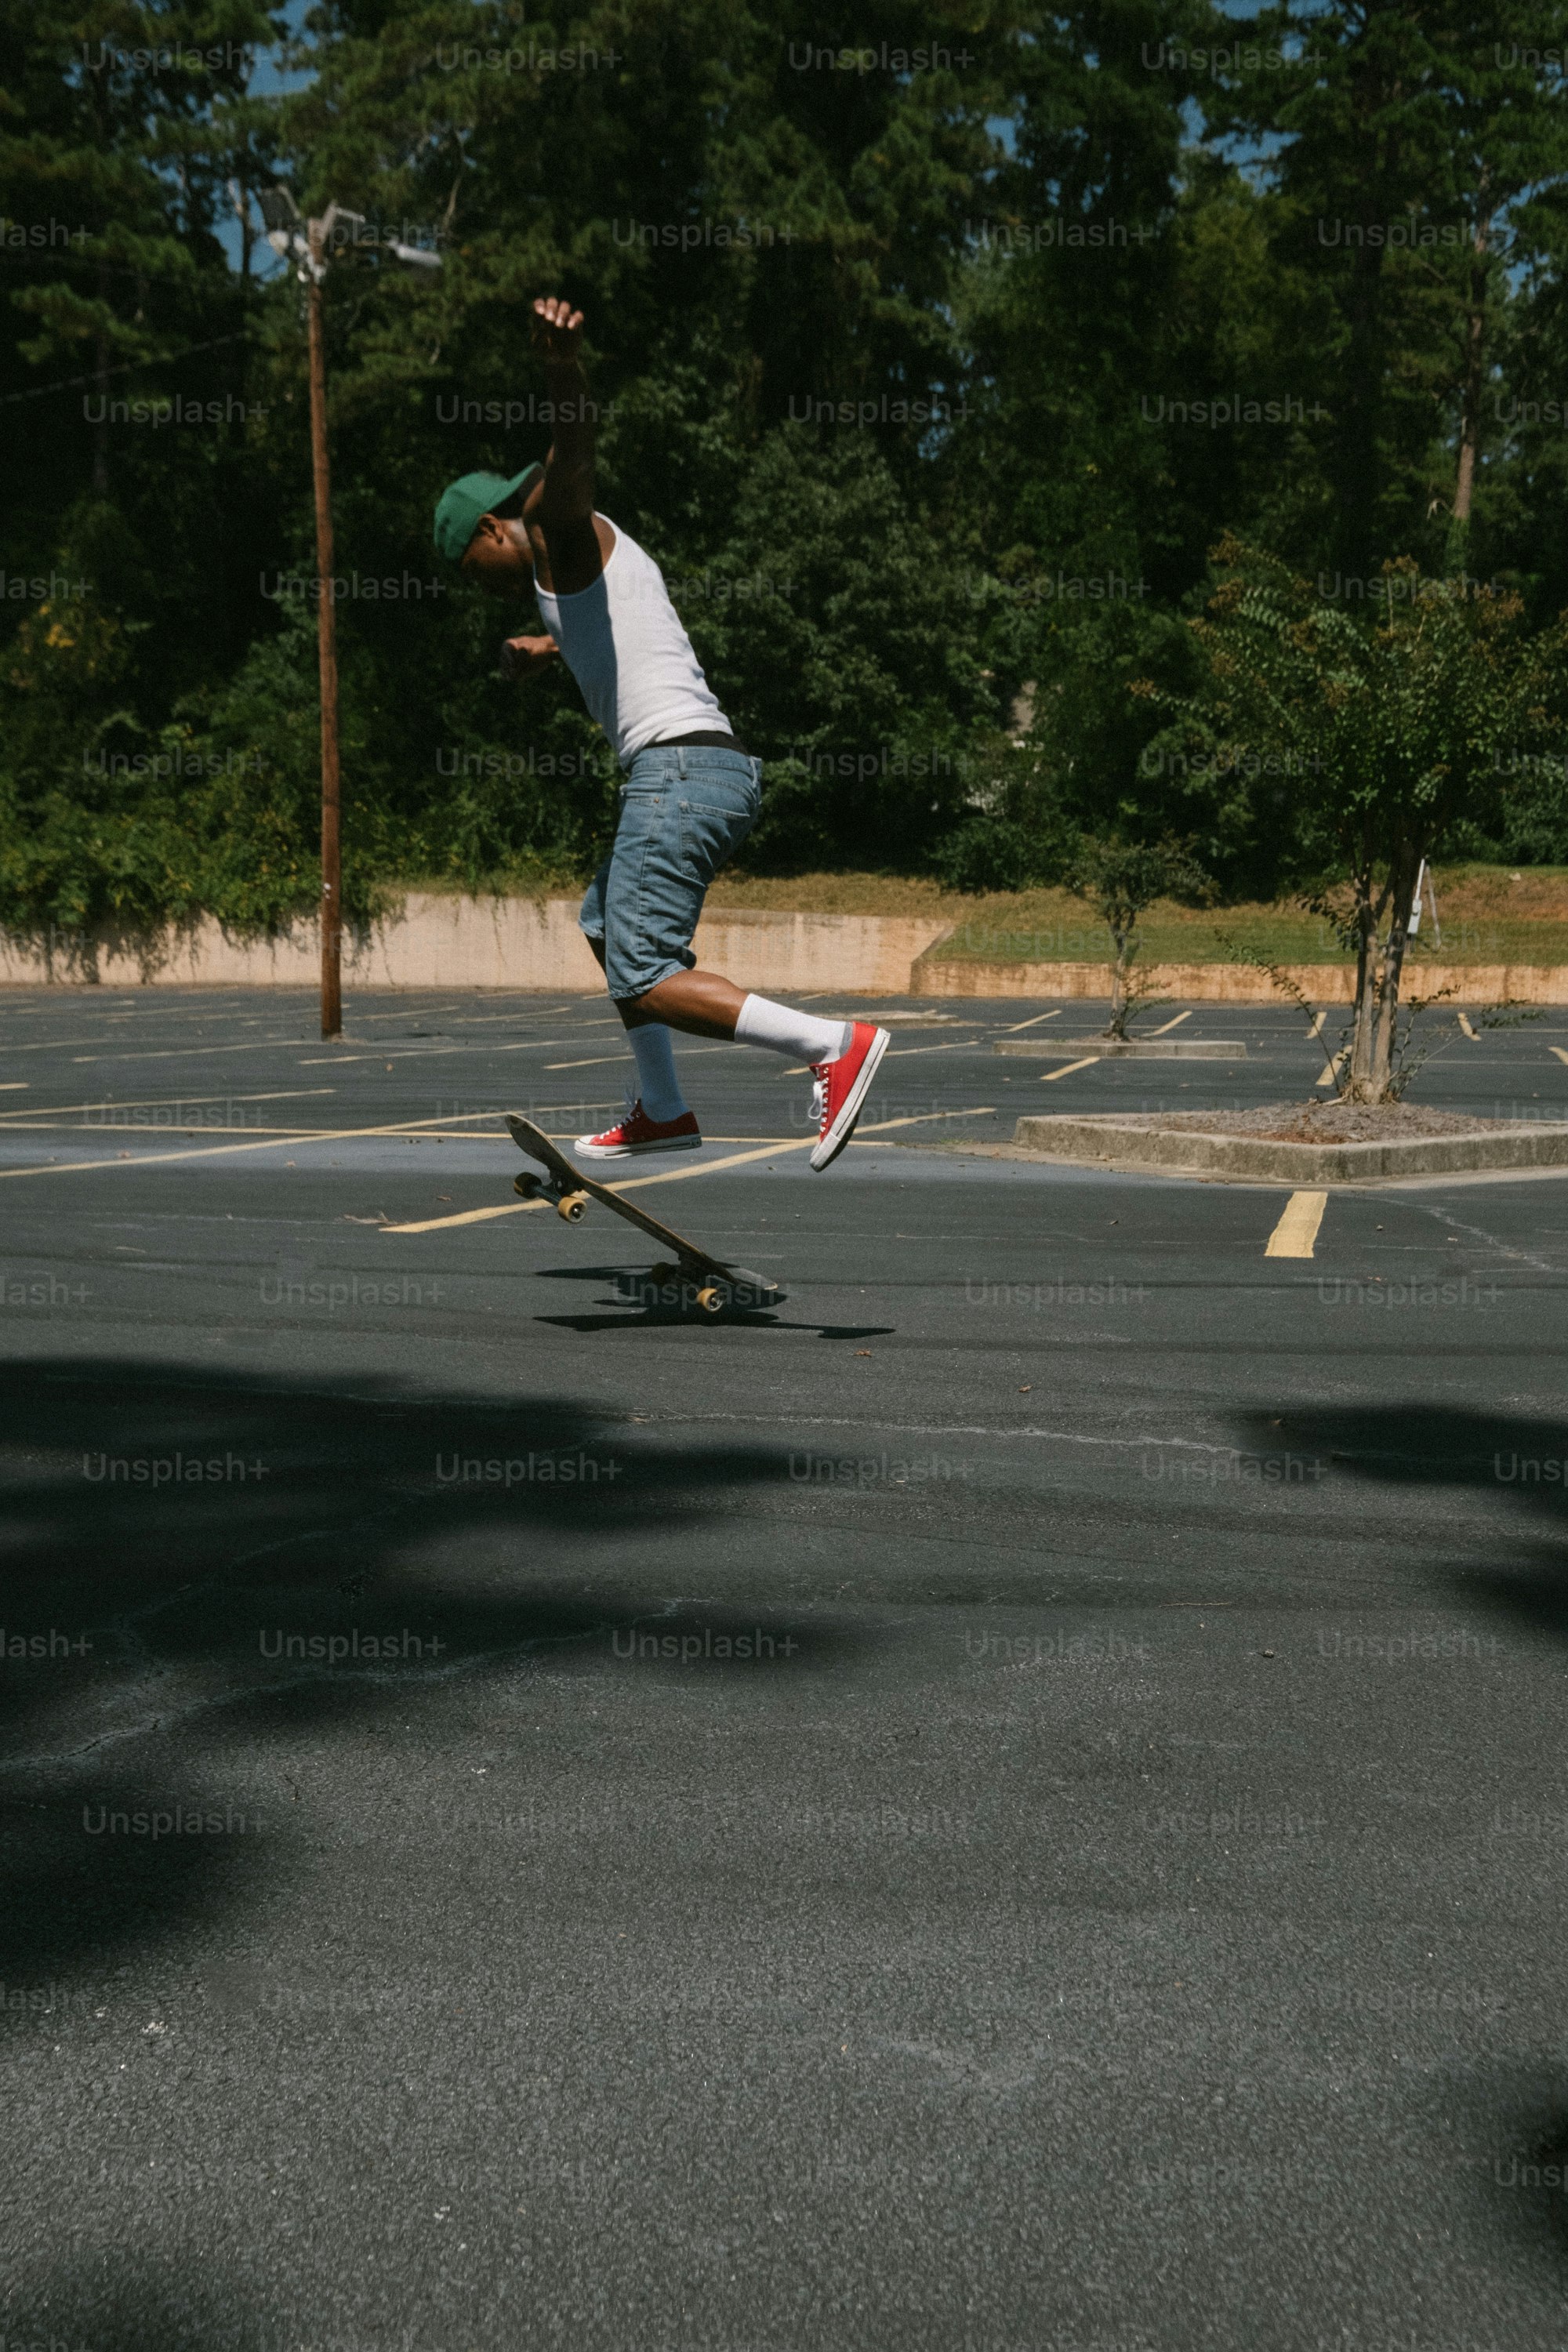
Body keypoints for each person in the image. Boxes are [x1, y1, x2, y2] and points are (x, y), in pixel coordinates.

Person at [432, 295, 888, 1167]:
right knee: (606, 926)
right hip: (704, 770)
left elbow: (573, 457)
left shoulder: (557, 535)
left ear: (493, 528)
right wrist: (542, 649)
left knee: (644, 969)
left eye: (471, 569)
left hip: (676, 776)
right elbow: (619, 643)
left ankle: (832, 1044)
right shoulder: (566, 583)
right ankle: (664, 1106)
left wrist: (561, 369)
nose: (478, 587)